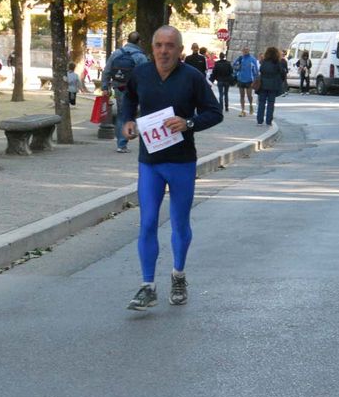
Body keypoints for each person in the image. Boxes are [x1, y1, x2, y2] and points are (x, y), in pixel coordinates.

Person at [121, 25, 223, 310]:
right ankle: (147, 285)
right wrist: (127, 121)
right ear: (151, 48)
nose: (164, 51)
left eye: (170, 46)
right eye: (158, 45)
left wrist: (188, 123)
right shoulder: (141, 74)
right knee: (148, 221)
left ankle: (178, 275)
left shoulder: (192, 77)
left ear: (180, 50)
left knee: (179, 222)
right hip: (150, 162)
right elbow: (128, 99)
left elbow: (215, 113)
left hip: (181, 162)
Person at [101, 31, 148, 153]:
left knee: (122, 114)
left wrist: (105, 87)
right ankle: (140, 138)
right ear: (139, 41)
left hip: (119, 87)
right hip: (135, 89)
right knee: (140, 112)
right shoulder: (140, 57)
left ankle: (121, 144)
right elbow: (146, 75)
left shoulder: (117, 53)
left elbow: (107, 71)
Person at [255, 46, 286, 127]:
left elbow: (261, 71)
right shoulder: (277, 63)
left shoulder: (264, 62)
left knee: (261, 103)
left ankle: (259, 121)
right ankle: (268, 121)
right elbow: (282, 73)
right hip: (273, 86)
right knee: (271, 103)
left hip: (263, 85)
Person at [233, 46, 259, 117]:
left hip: (249, 80)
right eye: (244, 50)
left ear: (249, 50)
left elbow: (256, 71)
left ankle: (250, 105)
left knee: (249, 95)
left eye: (247, 50)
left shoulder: (252, 59)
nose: (245, 51)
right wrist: (237, 68)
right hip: (241, 79)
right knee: (242, 95)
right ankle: (242, 110)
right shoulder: (240, 58)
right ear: (242, 51)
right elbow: (234, 66)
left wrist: (255, 80)